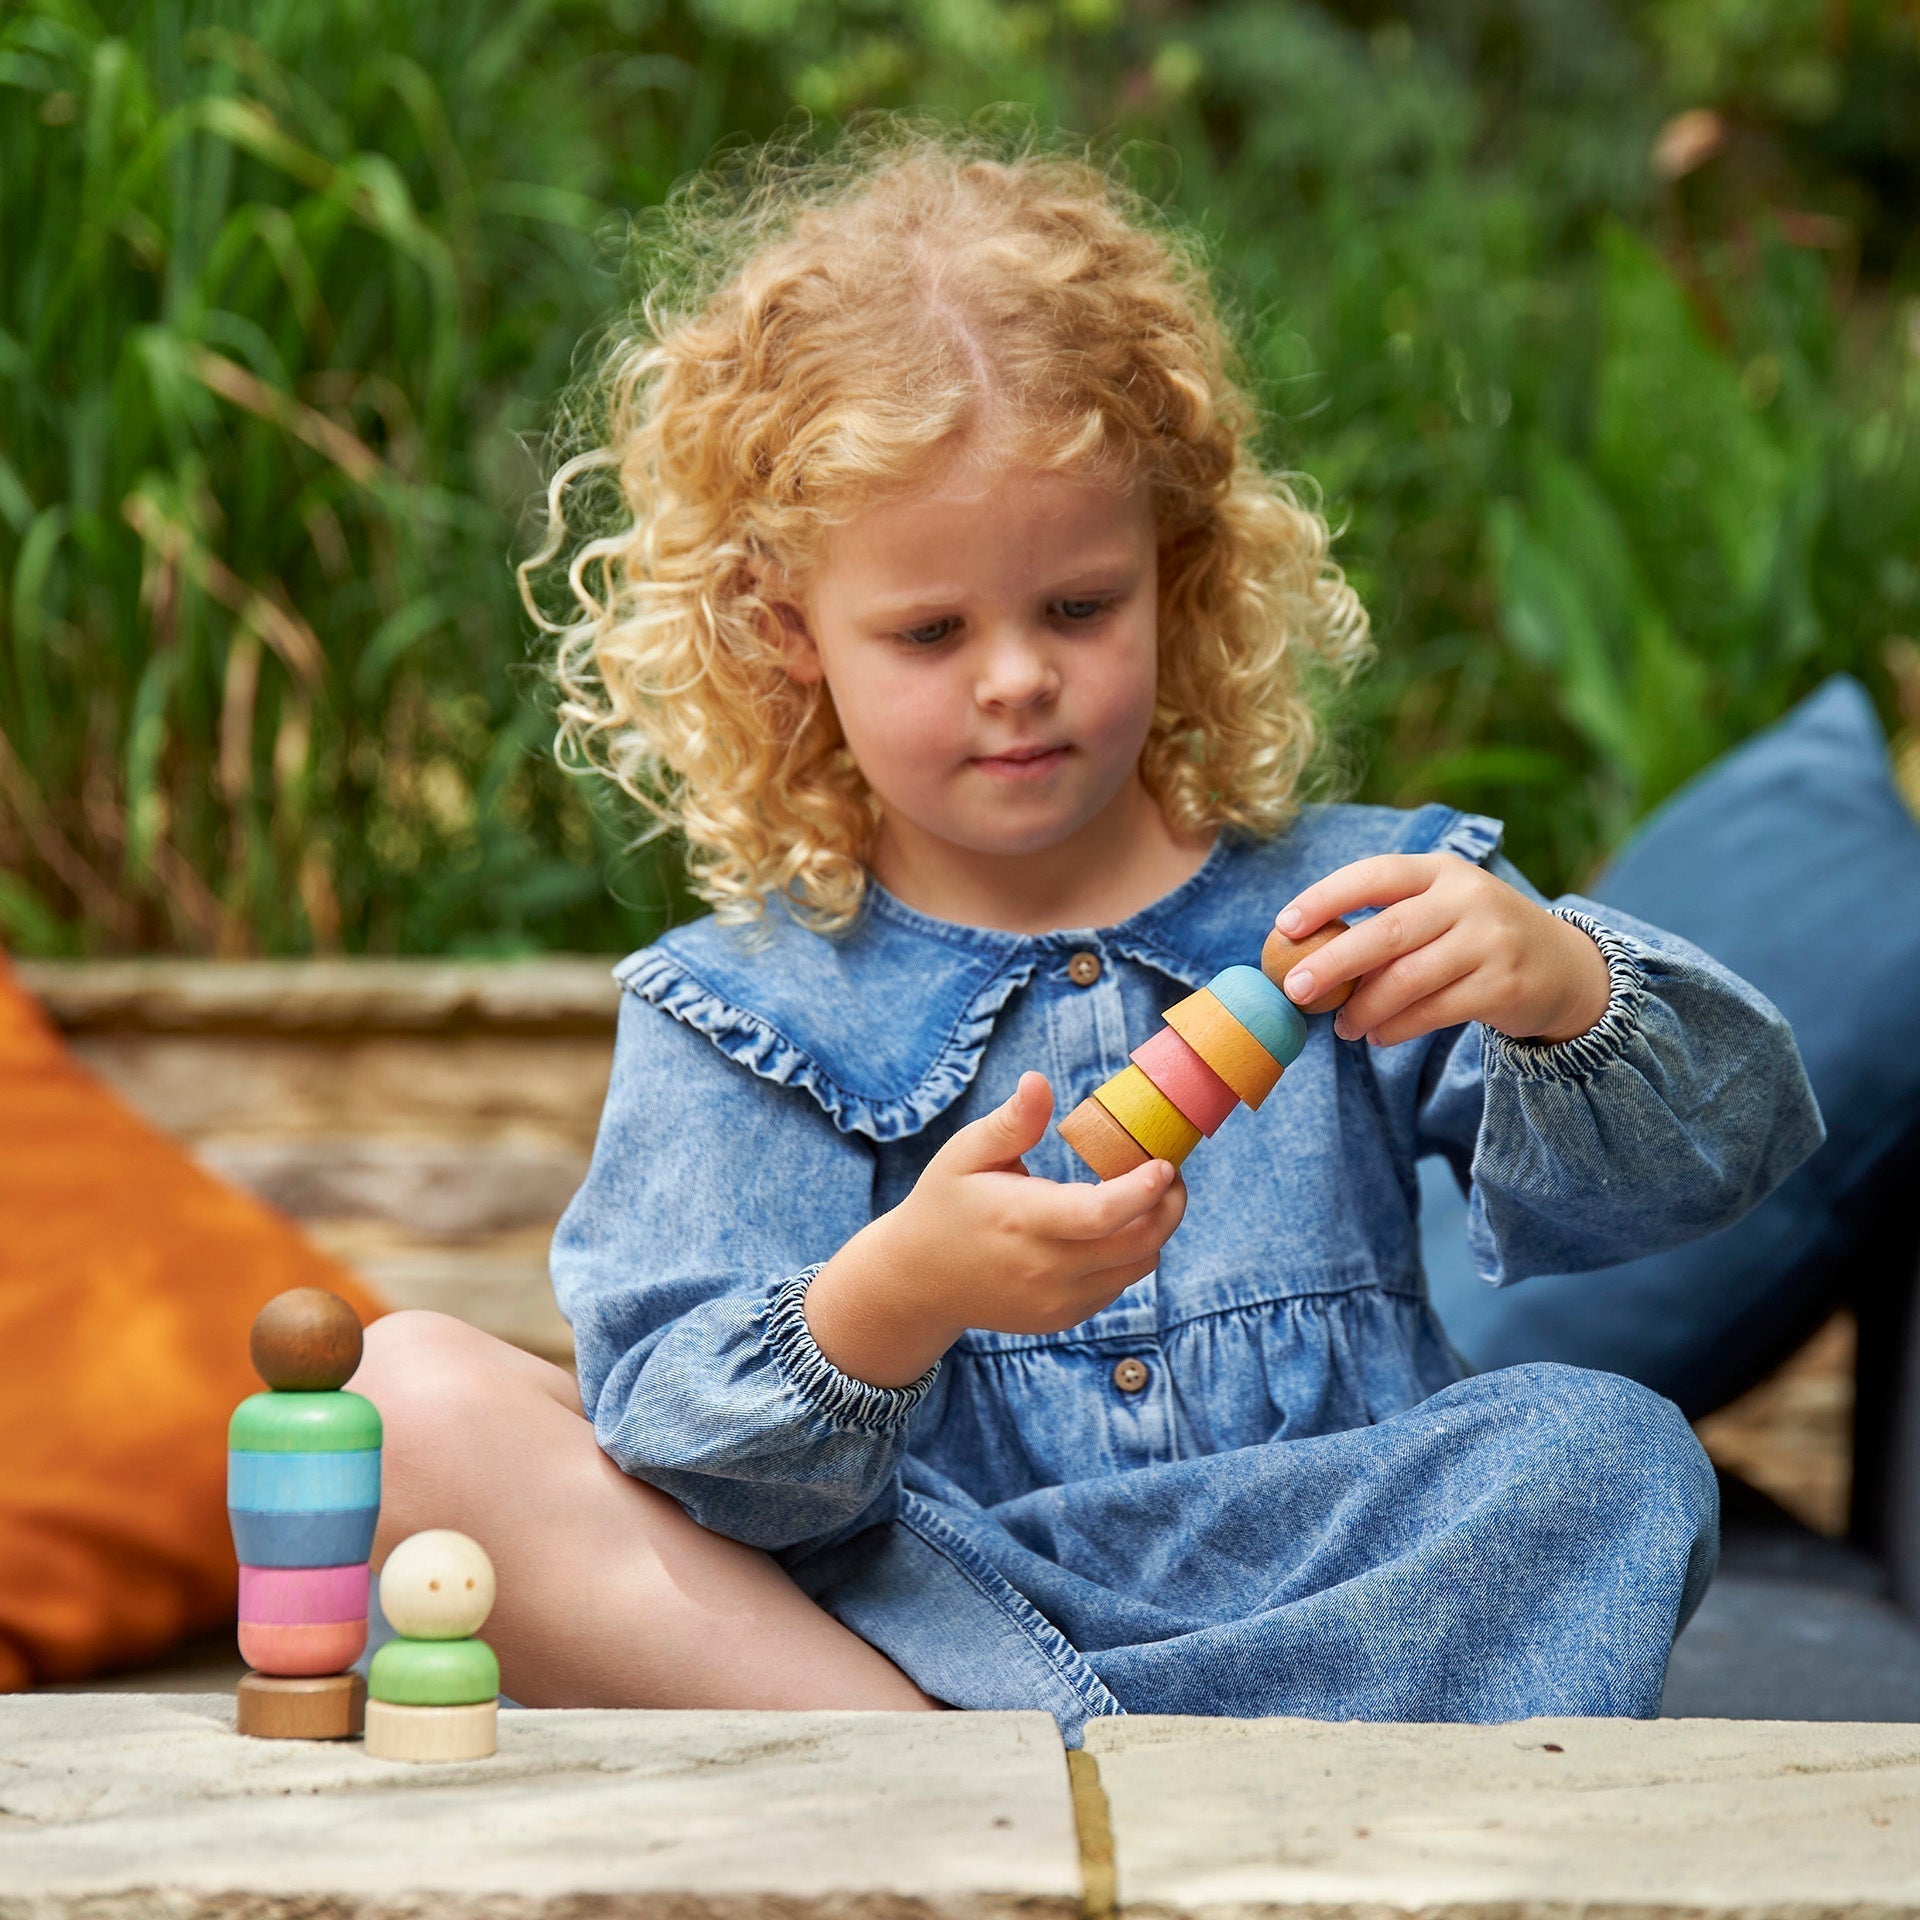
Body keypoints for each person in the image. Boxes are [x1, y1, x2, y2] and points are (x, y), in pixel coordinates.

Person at [349, 122, 1824, 1738]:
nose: (1015, 679)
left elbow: (1716, 1165)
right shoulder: (746, 1007)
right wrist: (892, 1296)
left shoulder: (1361, 914)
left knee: (1612, 1452)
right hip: (927, 1618)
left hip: (1320, 1586)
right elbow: (683, 1439)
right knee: (401, 1403)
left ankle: (1043, 1804)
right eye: (928, 629)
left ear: (1174, 574)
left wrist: (1563, 987)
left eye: (1076, 606)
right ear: (788, 633)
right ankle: (1020, 1785)